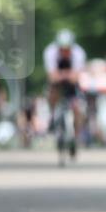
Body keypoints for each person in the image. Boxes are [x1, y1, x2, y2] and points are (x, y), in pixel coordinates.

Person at [43, 28, 87, 156]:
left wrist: (62, 75)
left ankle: (75, 137)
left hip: (72, 85)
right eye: (62, 49)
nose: (64, 51)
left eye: (67, 49)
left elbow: (75, 78)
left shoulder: (79, 53)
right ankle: (52, 116)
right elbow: (52, 77)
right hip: (57, 83)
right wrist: (66, 75)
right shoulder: (50, 52)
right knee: (52, 92)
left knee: (77, 107)